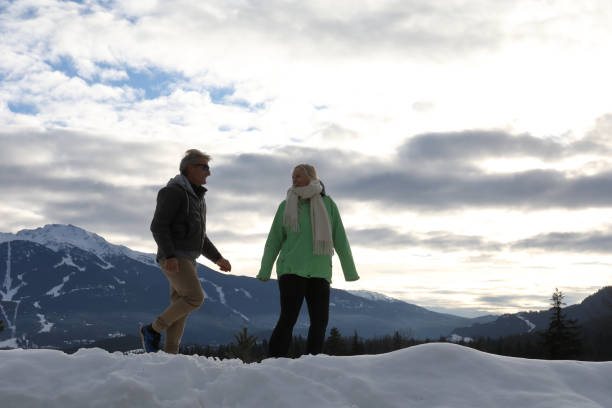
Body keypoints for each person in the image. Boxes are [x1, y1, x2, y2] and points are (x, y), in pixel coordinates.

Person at [257, 164, 359, 357]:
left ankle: (312, 362)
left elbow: (340, 239)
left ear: (311, 178)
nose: (294, 180)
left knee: (320, 321)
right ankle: (274, 361)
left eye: (298, 176)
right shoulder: (286, 206)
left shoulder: (328, 205)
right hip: (291, 269)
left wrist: (350, 271)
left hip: (320, 270)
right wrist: (265, 269)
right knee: (288, 318)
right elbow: (274, 240)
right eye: (292, 176)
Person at [141, 149, 232, 353]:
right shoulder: (172, 192)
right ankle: (153, 329)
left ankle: (170, 354)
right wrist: (170, 255)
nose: (208, 173)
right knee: (194, 298)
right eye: (205, 167)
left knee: (181, 306)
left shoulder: (198, 198)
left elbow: (201, 237)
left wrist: (217, 258)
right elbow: (158, 226)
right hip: (175, 257)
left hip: (189, 259)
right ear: (190, 168)